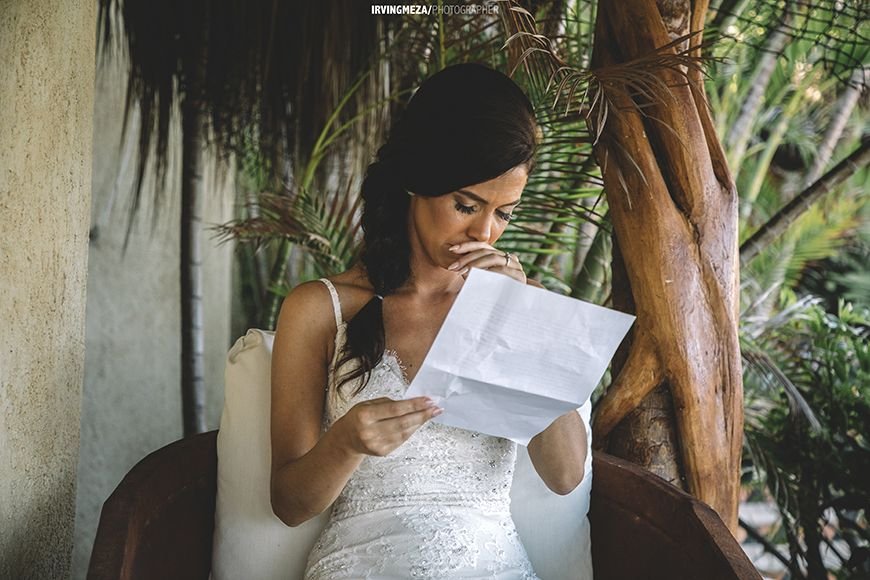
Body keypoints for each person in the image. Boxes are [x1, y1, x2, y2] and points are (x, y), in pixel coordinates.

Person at [269, 62, 588, 579]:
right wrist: (345, 441)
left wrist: (520, 320)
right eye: (467, 204)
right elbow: (288, 503)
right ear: (417, 179)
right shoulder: (319, 308)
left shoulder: (519, 302)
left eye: (504, 213)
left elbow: (566, 474)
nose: (485, 231)